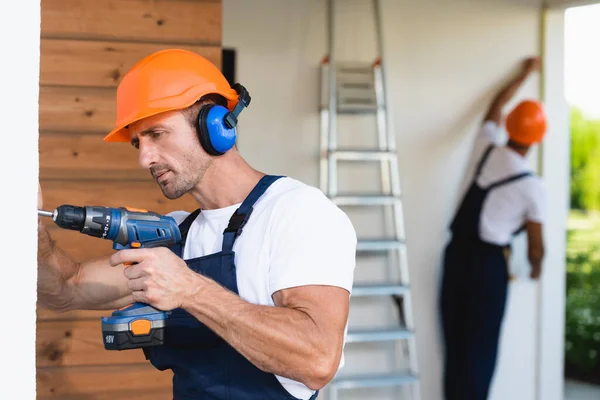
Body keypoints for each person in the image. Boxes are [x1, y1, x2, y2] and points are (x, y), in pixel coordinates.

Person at [37, 49, 357, 400]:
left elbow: (318, 360)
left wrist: (192, 290)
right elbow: (66, 288)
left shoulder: (295, 212)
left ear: (215, 125)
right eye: (137, 143)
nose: (145, 158)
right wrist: (30, 231)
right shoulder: (177, 234)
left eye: (157, 134)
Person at [440, 56, 547, 400]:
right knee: (480, 353)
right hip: (487, 268)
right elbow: (536, 246)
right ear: (536, 140)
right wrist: (535, 269)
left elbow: (497, 104)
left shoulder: (486, 144)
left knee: (455, 348)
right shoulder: (533, 187)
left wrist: (525, 72)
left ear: (511, 128)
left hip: (455, 256)